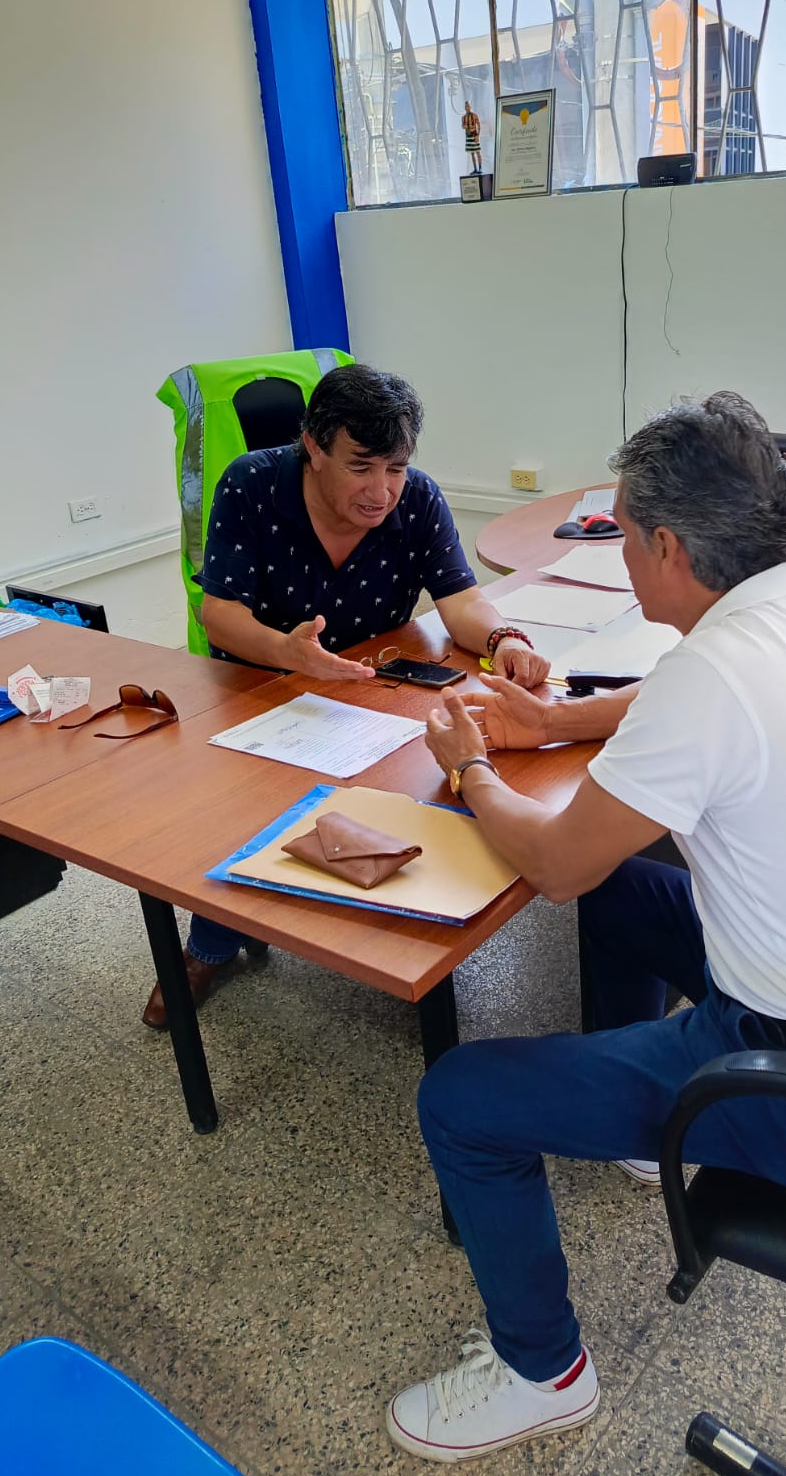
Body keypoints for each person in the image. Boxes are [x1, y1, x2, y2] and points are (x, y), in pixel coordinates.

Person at [385, 394, 786, 1462]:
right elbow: (679, 701)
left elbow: (555, 863)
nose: (619, 556)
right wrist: (555, 721)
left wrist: (469, 767)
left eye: (622, 535)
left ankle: (542, 1372)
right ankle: (638, 1135)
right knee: (619, 888)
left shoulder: (714, 673)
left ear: (667, 548)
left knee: (459, 1098)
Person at [141, 362, 550, 1029]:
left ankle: (390, 929)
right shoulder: (251, 484)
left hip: (372, 686)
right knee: (250, 811)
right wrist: (289, 653)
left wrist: (504, 637)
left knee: (427, 786)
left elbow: (460, 600)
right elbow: (220, 615)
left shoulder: (418, 497)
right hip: (263, 686)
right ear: (313, 444)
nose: (381, 490)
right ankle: (210, 945)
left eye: (396, 468)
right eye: (361, 467)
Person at [462, 101, 482, 174]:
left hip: (474, 135)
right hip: (468, 136)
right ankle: (475, 169)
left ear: (470, 107)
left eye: (468, 106)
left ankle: (480, 168)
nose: (467, 108)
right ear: (465, 108)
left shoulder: (474, 115)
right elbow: (463, 126)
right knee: (472, 153)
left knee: (478, 152)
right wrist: (465, 127)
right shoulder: (463, 117)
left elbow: (479, 125)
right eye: (466, 106)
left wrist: (478, 135)